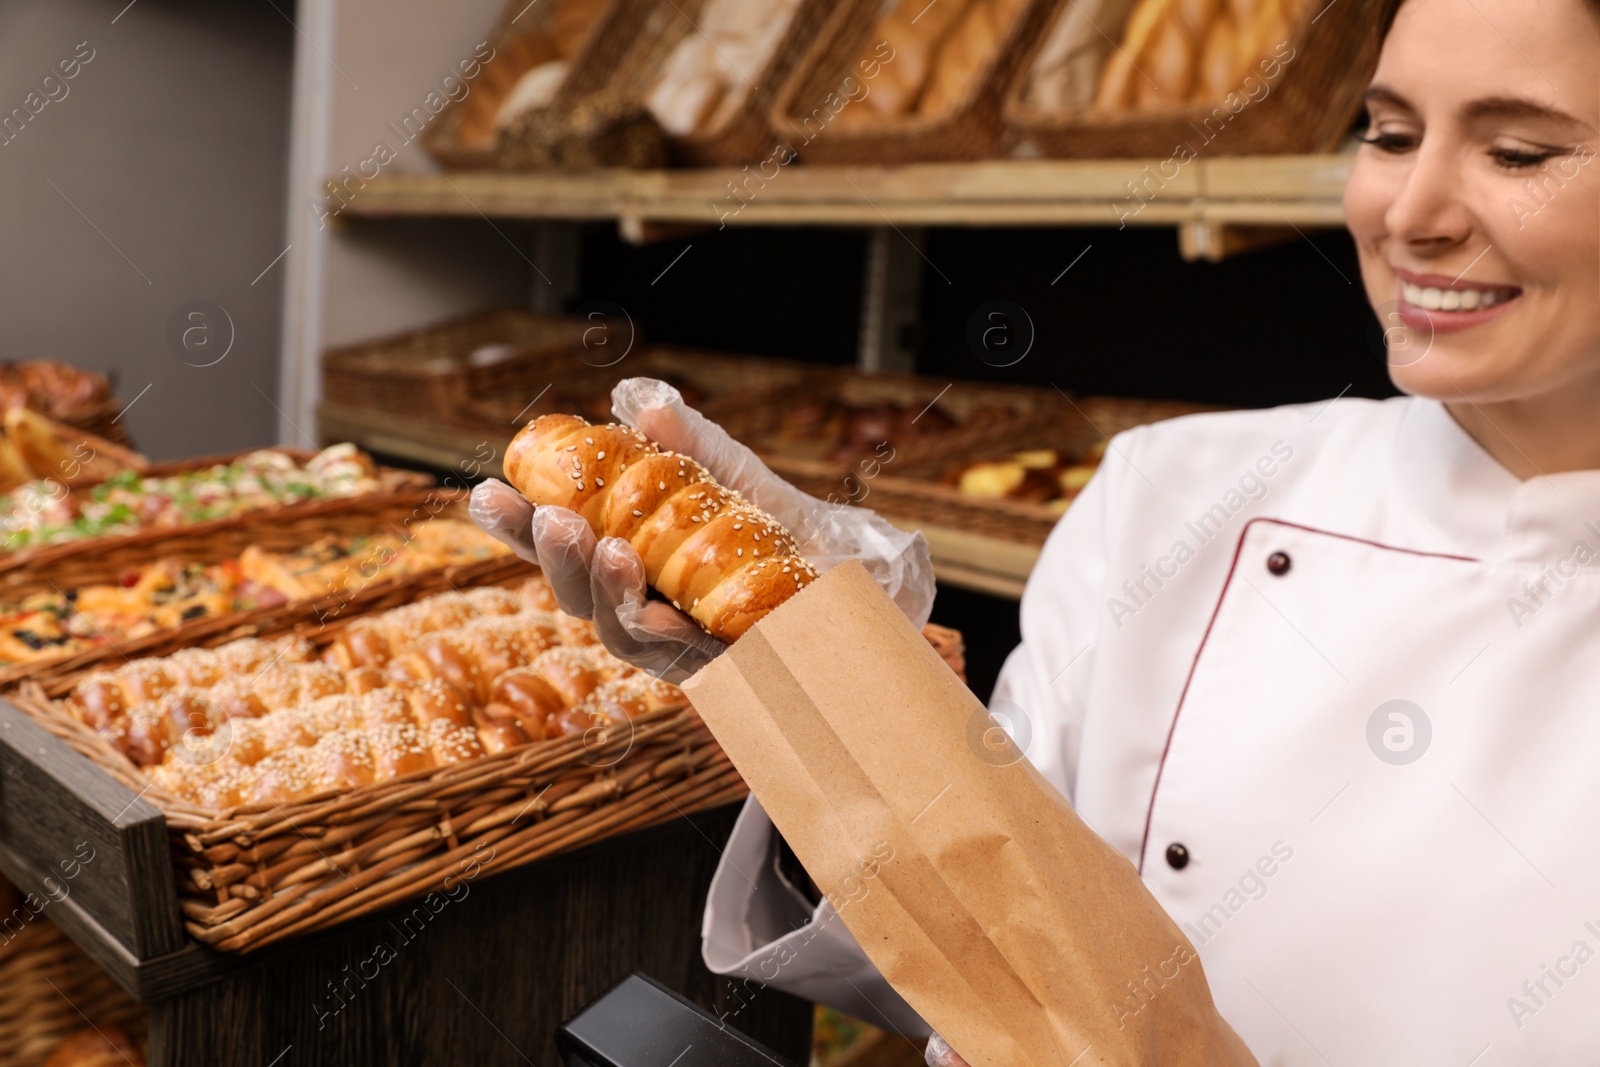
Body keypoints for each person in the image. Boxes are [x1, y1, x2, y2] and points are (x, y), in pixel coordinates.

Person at [472, 0, 1600, 1059]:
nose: (1410, 212)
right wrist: (831, 668)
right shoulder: (1168, 496)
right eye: (1390, 133)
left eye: (1518, 153)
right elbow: (961, 959)